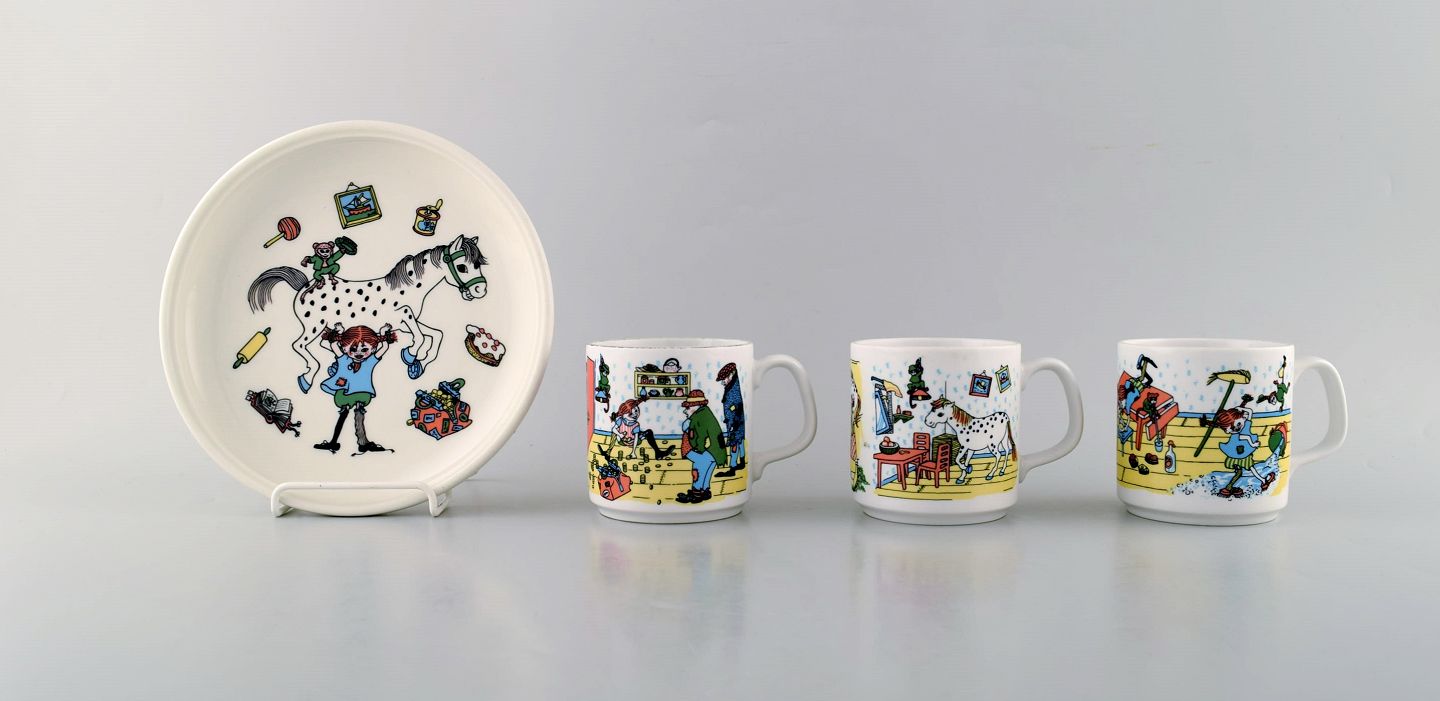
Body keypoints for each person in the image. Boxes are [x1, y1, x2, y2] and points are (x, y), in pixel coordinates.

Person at [315, 323, 396, 454]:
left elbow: (385, 347)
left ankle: (362, 442)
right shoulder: (344, 359)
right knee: (344, 415)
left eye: (364, 350)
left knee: (359, 415)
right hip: (346, 393)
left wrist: (383, 332)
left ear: (373, 349)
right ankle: (333, 442)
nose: (358, 353)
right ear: (344, 348)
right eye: (353, 349)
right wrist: (338, 331)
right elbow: (334, 345)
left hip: (362, 392)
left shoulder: (370, 361)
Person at [675, 389, 728, 504]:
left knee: (698, 469)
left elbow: (700, 437)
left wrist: (697, 450)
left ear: (696, 406)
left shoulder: (698, 418)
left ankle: (696, 493)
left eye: (688, 408)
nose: (685, 411)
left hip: (707, 451)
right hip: (716, 451)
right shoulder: (705, 413)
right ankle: (705, 491)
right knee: (706, 471)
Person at [608, 396, 675, 459]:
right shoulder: (620, 420)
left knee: (648, 432)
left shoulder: (635, 425)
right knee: (614, 429)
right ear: (623, 413)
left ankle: (658, 453)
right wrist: (620, 435)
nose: (635, 415)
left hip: (634, 441)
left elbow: (636, 438)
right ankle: (608, 451)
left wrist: (633, 452)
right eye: (631, 414)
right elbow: (613, 429)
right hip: (622, 441)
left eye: (637, 411)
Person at [715, 362, 746, 478]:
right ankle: (742, 461)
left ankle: (732, 467)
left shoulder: (733, 390)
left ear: (731, 374)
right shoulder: (733, 387)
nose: (723, 382)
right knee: (740, 441)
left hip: (735, 421)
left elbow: (736, 406)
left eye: (724, 379)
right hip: (736, 421)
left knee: (734, 443)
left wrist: (733, 422)